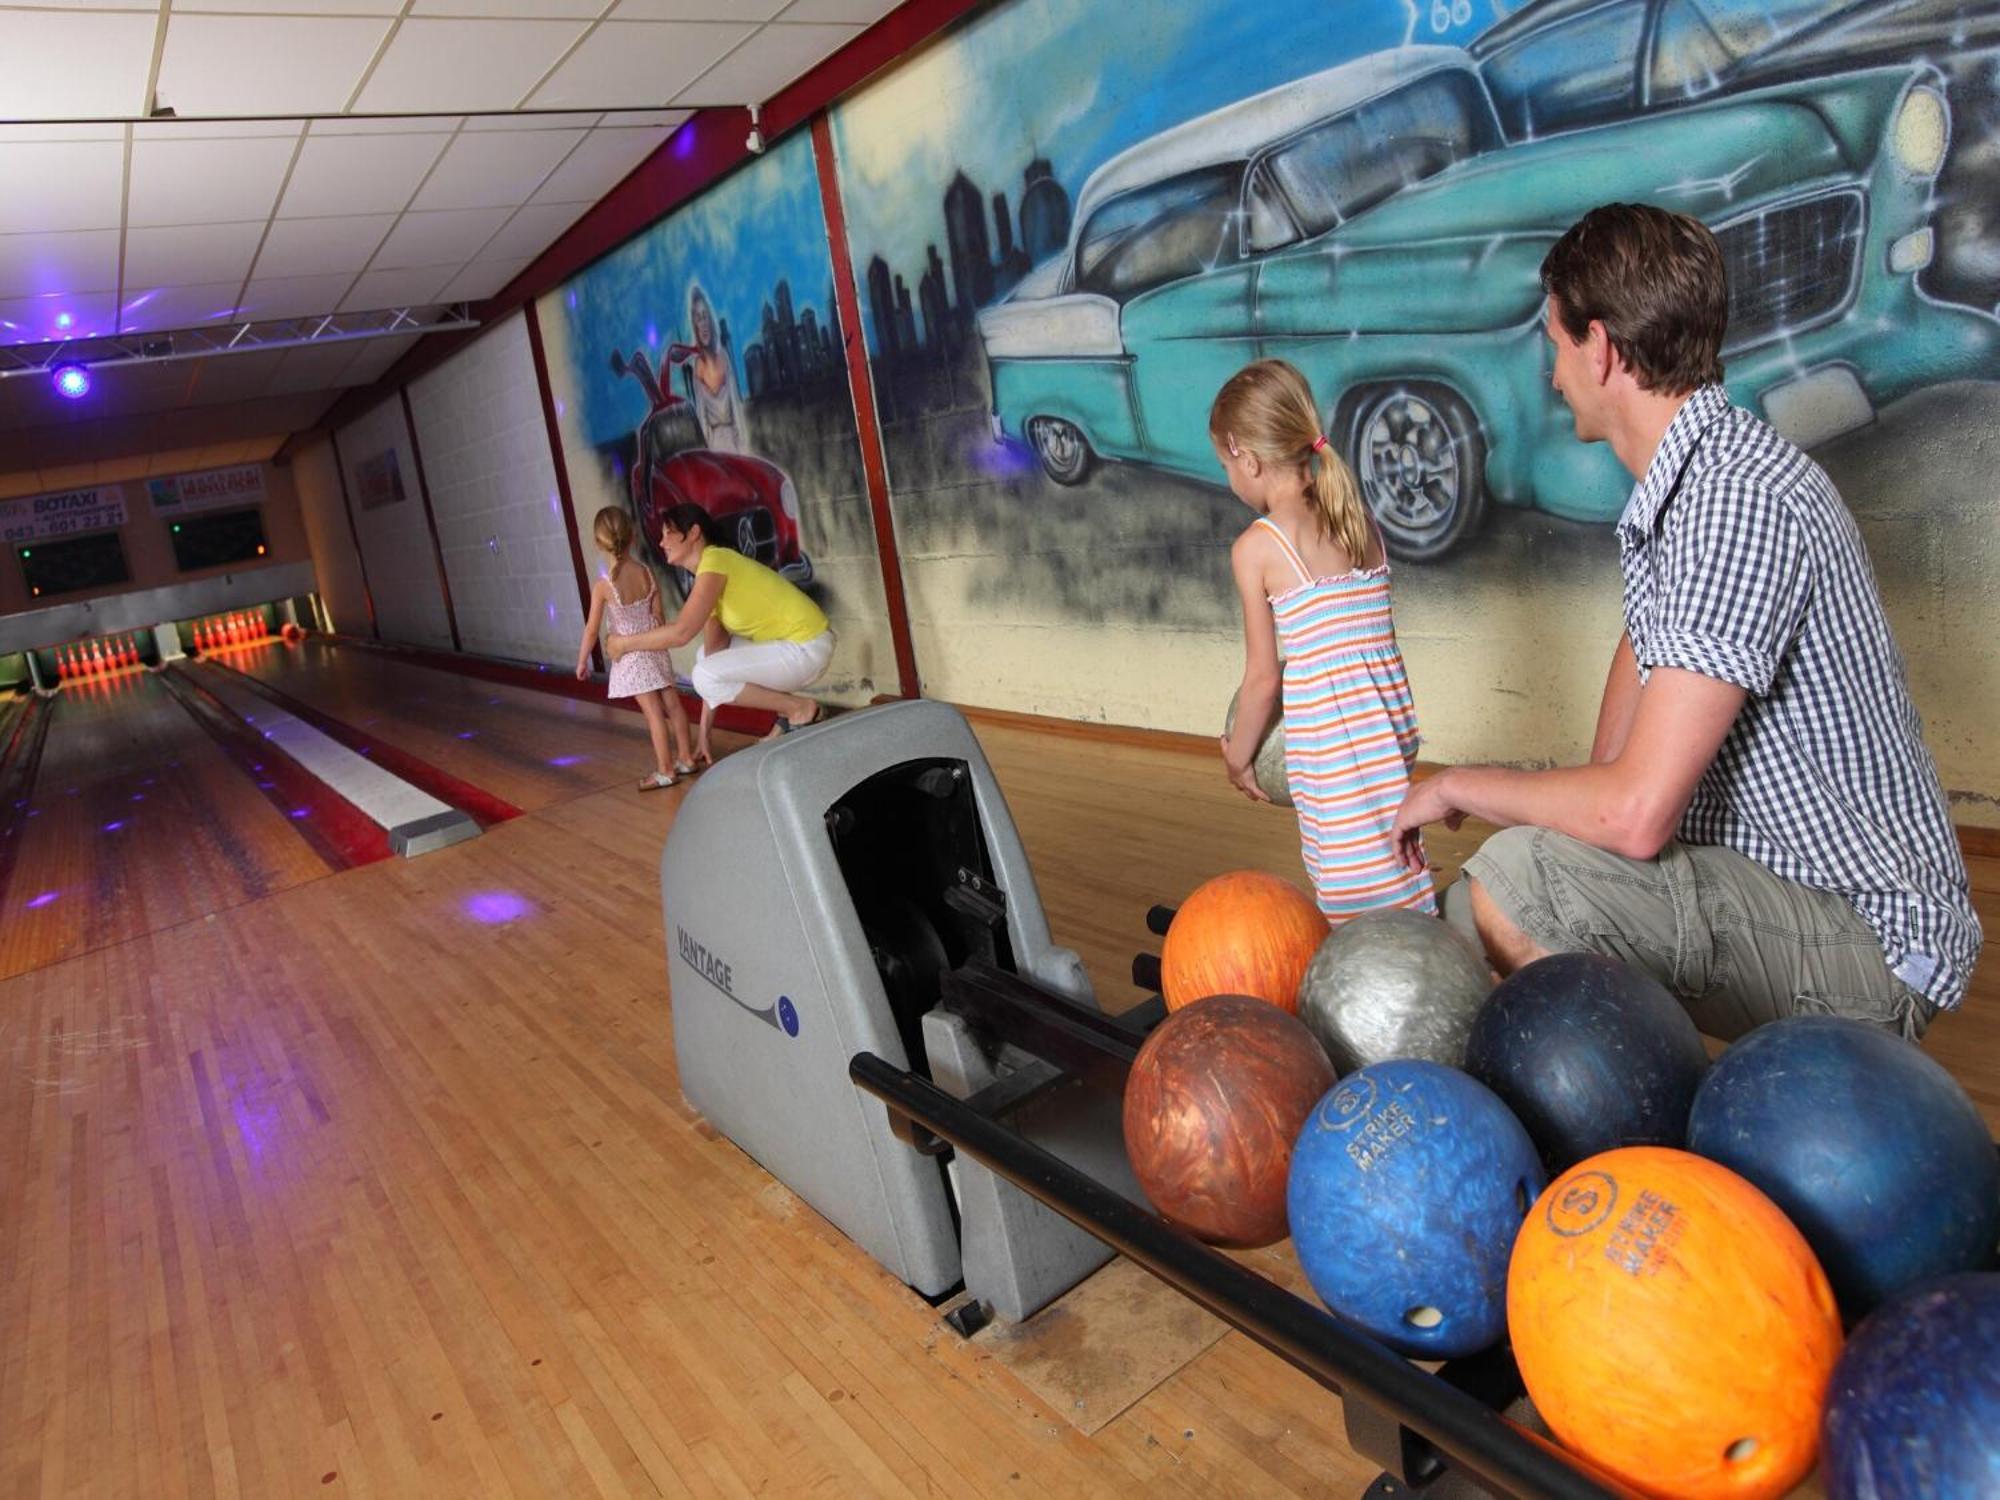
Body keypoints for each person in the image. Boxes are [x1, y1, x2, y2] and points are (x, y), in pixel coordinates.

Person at [1392, 202, 1979, 1040]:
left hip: (1868, 945)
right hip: (1782, 894)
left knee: (1513, 888)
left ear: (1600, 349)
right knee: (1535, 873)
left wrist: (1455, 785)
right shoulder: (1686, 493)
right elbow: (1610, 785)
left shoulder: (1733, 501)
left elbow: (1632, 816)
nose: (1553, 375)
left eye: (1555, 346)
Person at [1212, 358, 1436, 922]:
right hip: (1388, 744)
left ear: (1247, 455)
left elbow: (1264, 681)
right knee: (1402, 879)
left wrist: (1238, 758)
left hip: (1333, 765)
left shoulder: (1258, 548)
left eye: (1225, 464)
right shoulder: (1359, 519)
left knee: (1353, 910)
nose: (1228, 478)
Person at [606, 502, 832, 760]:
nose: (661, 542)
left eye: (668, 532)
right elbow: (714, 659)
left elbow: (681, 633)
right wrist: (704, 735)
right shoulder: (708, 576)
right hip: (796, 648)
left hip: (807, 646)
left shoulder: (716, 560)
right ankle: (787, 714)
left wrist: (623, 644)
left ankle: (799, 708)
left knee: (703, 673)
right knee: (705, 659)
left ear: (693, 533)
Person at [578, 506, 698, 792]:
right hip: (656, 647)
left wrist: (582, 660)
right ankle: (686, 758)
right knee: (673, 704)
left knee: (654, 714)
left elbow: (592, 630)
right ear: (632, 537)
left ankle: (666, 770)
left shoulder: (604, 586)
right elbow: (659, 616)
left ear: (598, 543)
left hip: (632, 657)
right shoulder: (646, 572)